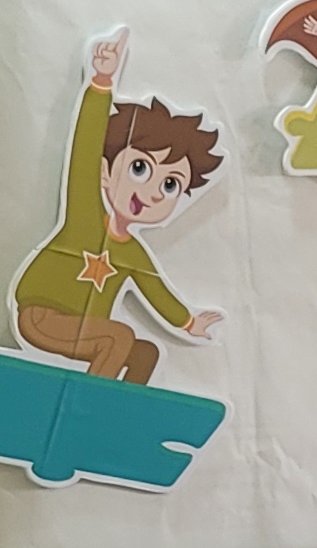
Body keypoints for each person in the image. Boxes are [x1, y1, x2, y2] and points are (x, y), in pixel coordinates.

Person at [12, 29, 223, 382]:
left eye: (170, 185)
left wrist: (189, 322)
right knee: (117, 337)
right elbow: (85, 148)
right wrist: (101, 83)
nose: (154, 193)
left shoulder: (133, 253)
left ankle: (123, 410)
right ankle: (88, 405)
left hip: (85, 328)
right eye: (140, 168)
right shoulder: (85, 216)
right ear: (106, 172)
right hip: (41, 315)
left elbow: (156, 292)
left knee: (145, 352)